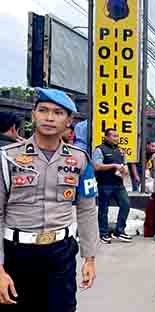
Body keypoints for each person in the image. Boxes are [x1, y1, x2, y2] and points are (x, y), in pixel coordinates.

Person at [0, 87, 98, 311]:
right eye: (43, 110)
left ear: (69, 120)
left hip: (60, 254)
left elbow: (87, 210)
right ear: (33, 115)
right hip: (17, 254)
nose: (49, 118)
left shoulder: (80, 159)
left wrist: (89, 258)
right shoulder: (9, 158)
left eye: (58, 112)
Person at [94, 128, 132, 244]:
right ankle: (103, 233)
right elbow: (97, 166)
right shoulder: (100, 150)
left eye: (117, 136)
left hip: (119, 184)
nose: (117, 138)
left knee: (125, 204)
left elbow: (124, 165)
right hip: (104, 184)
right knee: (103, 210)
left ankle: (119, 231)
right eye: (114, 136)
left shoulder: (120, 151)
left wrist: (124, 170)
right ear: (106, 137)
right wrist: (113, 166)